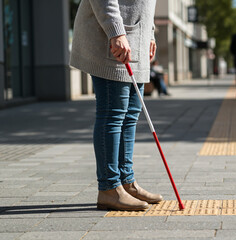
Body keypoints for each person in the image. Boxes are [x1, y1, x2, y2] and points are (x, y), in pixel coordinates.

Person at [70, 0, 163, 211]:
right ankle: (109, 188)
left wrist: (150, 33)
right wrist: (116, 32)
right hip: (114, 38)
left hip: (136, 39)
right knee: (113, 113)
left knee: (130, 115)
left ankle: (126, 182)